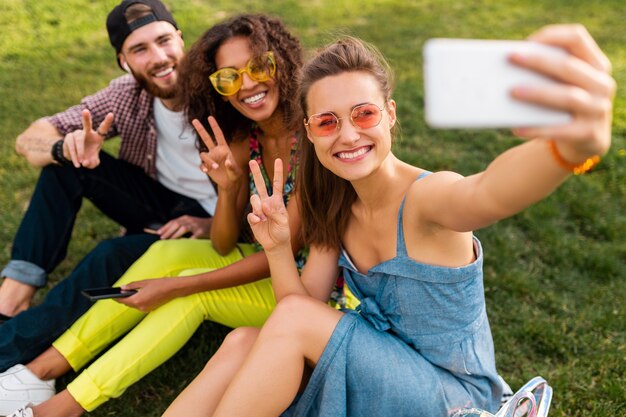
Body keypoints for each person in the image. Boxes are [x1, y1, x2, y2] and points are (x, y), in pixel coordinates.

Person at [162, 24, 615, 416]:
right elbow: (296, 309)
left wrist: (570, 150)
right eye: (326, 122)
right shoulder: (337, 205)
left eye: (364, 113)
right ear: (310, 133)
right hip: (387, 370)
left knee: (292, 324)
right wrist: (279, 247)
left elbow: (488, 192)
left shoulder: (426, 197)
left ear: (390, 114)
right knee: (243, 340)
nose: (348, 134)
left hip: (454, 399)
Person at [1, 13, 312, 417]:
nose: (247, 84)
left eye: (259, 67)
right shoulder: (242, 135)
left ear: (281, 61)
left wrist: (179, 287)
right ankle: (36, 373)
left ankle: (58, 407)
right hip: (245, 247)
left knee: (185, 293)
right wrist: (230, 187)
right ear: (123, 61)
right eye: (229, 78)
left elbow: (287, 251)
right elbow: (222, 244)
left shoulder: (308, 133)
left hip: (304, 283)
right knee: (162, 260)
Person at [0, 0, 218, 378]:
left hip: (221, 220)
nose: (159, 57)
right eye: (140, 49)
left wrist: (211, 225)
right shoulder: (127, 94)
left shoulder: (221, 89)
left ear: (182, 40)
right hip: (161, 202)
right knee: (63, 167)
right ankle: (12, 299)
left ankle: (8, 347)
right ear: (124, 62)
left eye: (164, 41)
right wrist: (61, 148)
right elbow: (29, 138)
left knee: (111, 255)